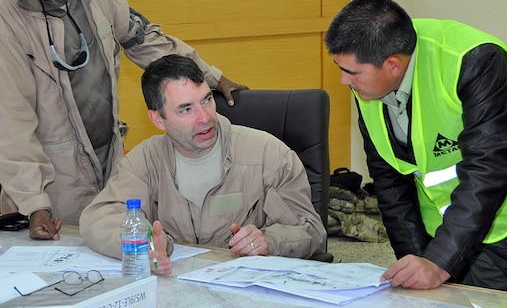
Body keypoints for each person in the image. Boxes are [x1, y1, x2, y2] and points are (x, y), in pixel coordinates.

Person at [0, 0, 247, 241]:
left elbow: (147, 41)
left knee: (119, 247)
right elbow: (11, 123)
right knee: (71, 263)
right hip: (54, 174)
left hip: (110, 155)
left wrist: (211, 76)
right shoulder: (7, 22)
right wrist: (34, 203)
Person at [324, 0, 507, 294]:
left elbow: (488, 171)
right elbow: (390, 180)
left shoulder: (477, 62)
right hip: (446, 229)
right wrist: (417, 259)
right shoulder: (370, 80)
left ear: (392, 65)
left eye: (350, 72)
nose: (343, 81)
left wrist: (439, 261)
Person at [79, 54, 326, 274]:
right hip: (176, 288)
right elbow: (99, 219)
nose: (205, 117)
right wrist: (147, 243)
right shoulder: (143, 162)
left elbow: (311, 231)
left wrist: (270, 241)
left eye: (206, 100)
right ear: (158, 119)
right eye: (186, 109)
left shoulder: (269, 155)